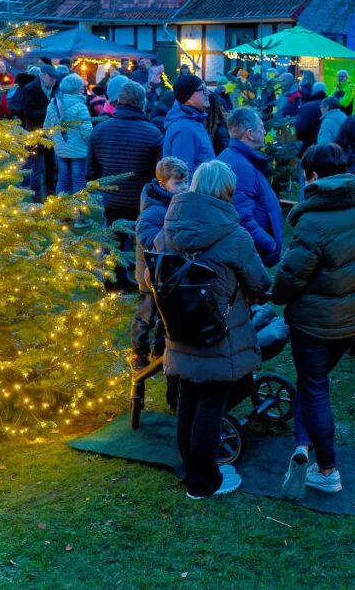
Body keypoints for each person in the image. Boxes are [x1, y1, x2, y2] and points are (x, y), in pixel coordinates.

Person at [155, 159, 271, 499]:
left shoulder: (168, 231)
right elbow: (260, 282)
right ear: (226, 192)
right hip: (219, 331)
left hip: (180, 329)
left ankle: (191, 468)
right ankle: (203, 482)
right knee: (211, 405)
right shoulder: (234, 236)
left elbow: (153, 276)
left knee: (189, 399)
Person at [273, 143, 355, 499]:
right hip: (353, 318)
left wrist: (275, 295)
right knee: (312, 381)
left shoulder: (313, 220)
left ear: (314, 177)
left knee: (315, 386)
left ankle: (328, 469)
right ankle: (302, 445)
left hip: (316, 321)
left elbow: (292, 273)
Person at [87, 81, 163, 289]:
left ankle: (114, 280)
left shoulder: (100, 130)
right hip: (139, 198)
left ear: (119, 101)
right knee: (140, 242)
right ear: (142, 103)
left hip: (112, 197)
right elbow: (156, 173)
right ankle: (139, 280)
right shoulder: (152, 133)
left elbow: (92, 170)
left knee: (113, 240)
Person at [133, 157, 190, 409]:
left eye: (186, 182)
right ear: (162, 183)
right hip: (150, 274)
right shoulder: (155, 208)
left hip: (167, 274)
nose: (185, 187)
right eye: (179, 183)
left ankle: (159, 351)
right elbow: (146, 236)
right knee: (147, 313)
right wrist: (168, 240)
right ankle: (139, 351)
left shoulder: (176, 202)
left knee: (165, 317)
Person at [217, 107, 284, 267]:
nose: (264, 130)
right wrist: (269, 243)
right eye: (261, 127)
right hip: (250, 254)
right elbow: (241, 217)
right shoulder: (241, 167)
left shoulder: (236, 158)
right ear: (249, 134)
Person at [44, 73, 93, 208]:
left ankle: (61, 214)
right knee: (78, 182)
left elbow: (46, 128)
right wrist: (90, 146)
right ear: (76, 88)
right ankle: (79, 216)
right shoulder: (80, 107)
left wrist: (58, 141)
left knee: (62, 180)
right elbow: (87, 131)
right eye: (81, 86)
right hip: (79, 152)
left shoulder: (53, 104)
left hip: (61, 150)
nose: (83, 88)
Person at [18, 63, 58, 202]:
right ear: (42, 75)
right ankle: (36, 197)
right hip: (35, 133)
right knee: (38, 168)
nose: (54, 81)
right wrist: (48, 113)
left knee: (52, 167)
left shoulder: (53, 89)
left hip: (50, 134)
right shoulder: (29, 89)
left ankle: (50, 194)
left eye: (55, 78)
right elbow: (28, 112)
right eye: (51, 78)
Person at [163, 74, 216, 177]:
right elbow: (182, 177)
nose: (208, 93)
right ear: (188, 96)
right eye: (202, 89)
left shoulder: (192, 122)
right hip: (197, 192)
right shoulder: (185, 129)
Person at [293, 81, 327, 154]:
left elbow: (298, 125)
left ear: (313, 91)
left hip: (307, 142)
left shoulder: (306, 106)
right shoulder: (329, 106)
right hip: (322, 143)